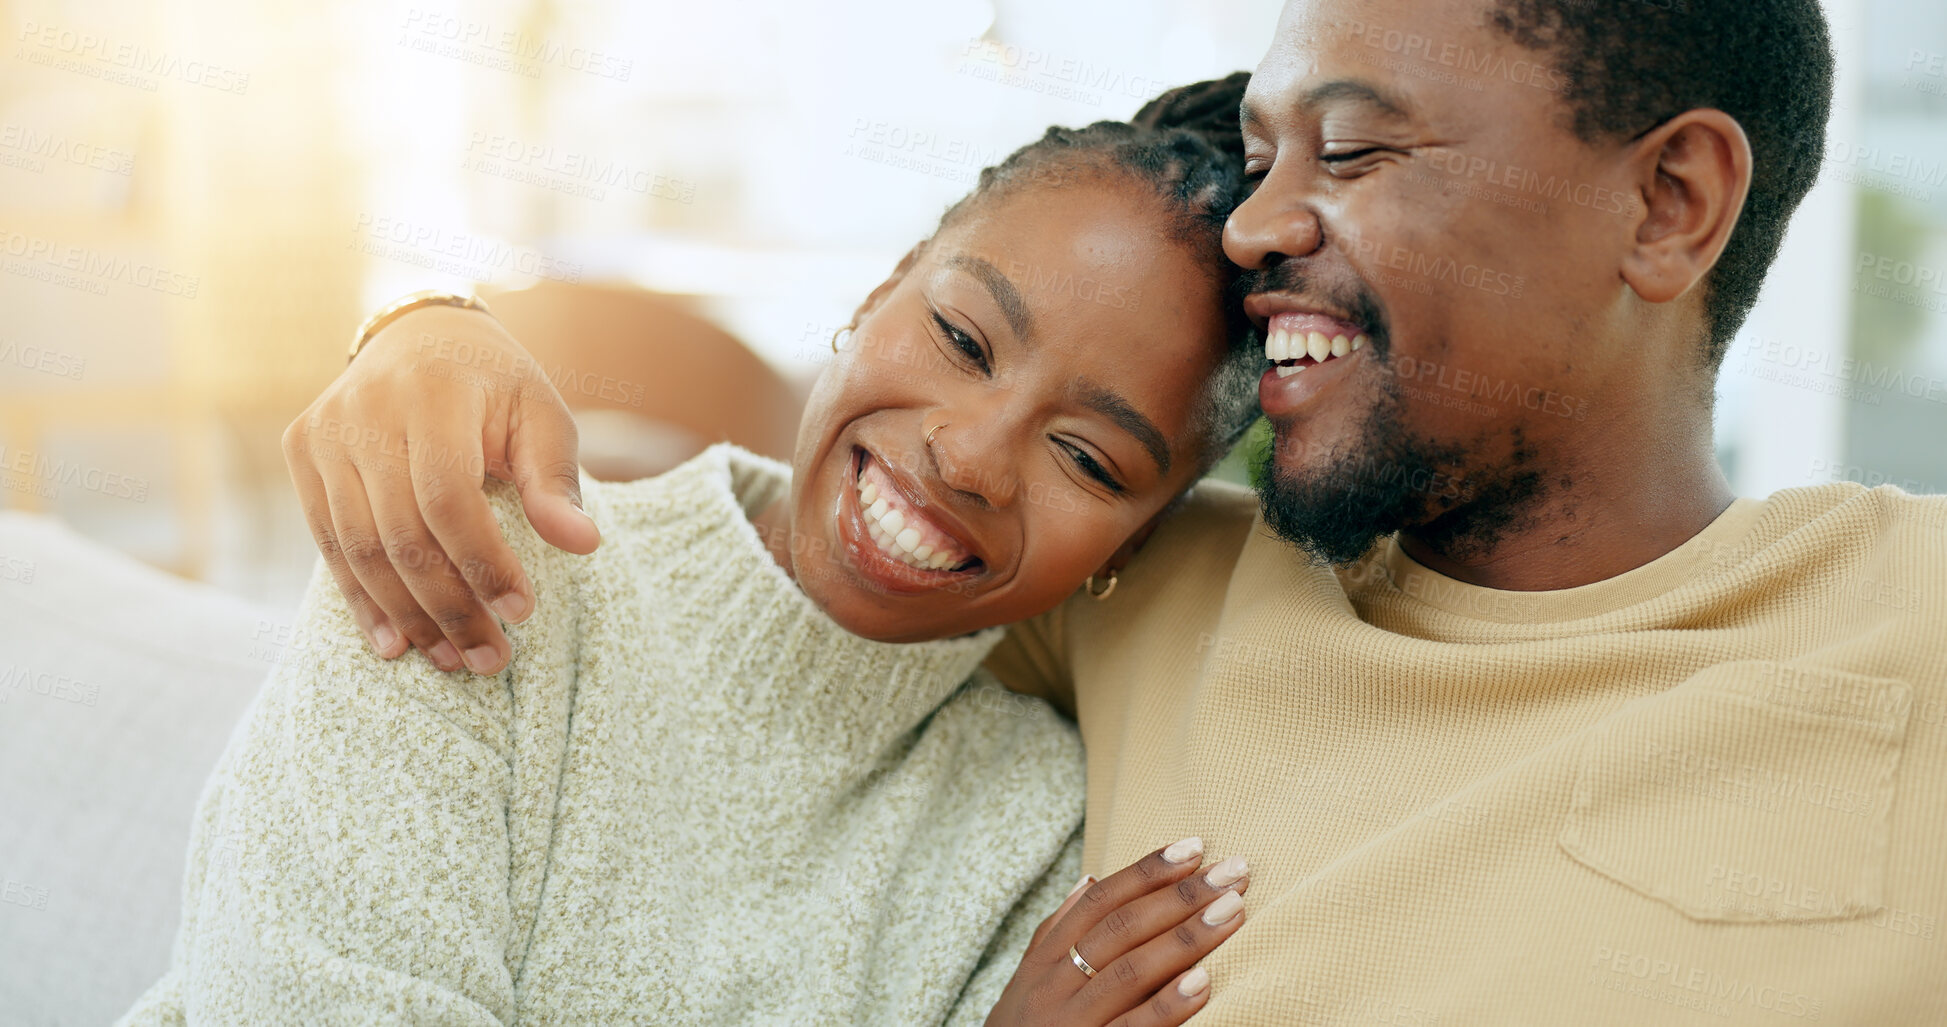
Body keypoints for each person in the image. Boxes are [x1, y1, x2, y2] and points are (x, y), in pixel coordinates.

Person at [302, 1, 1947, 1023]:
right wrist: (429, 330)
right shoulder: (1143, 582)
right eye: (1259, 151)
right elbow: (824, 487)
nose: (1257, 225)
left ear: (1668, 203)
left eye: (1356, 152)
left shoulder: (1910, 619)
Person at [121, 81, 1275, 1026]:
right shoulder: (483, 559)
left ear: (1143, 534)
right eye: (963, 337)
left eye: (1087, 457)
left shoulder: (1035, 843)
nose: (968, 456)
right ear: (880, 288)